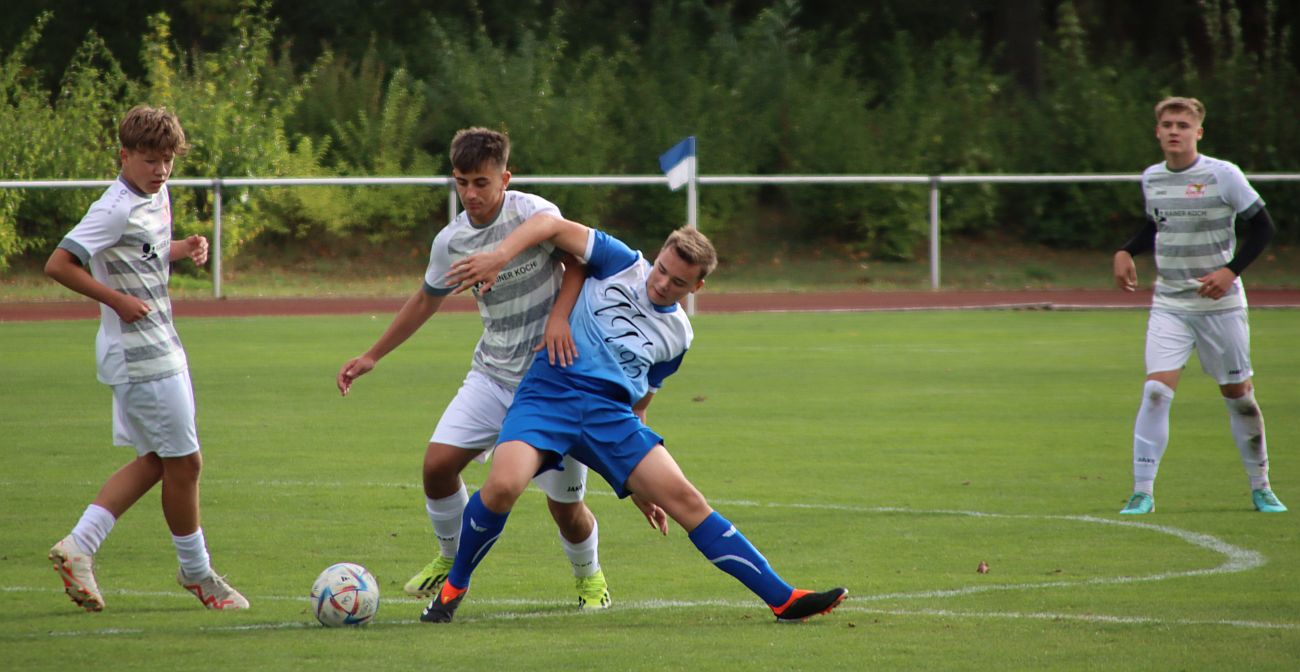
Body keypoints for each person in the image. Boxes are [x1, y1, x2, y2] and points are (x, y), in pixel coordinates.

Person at [418, 219, 847, 624]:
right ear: (656, 255)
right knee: (503, 486)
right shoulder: (620, 260)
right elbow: (550, 226)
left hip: (610, 416)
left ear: (698, 286)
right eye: (661, 269)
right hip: (548, 394)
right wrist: (511, 268)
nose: (662, 283)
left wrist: (637, 481)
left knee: (687, 500)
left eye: (678, 282)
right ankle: (454, 589)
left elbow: (641, 399)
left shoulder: (678, 336)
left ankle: (783, 598)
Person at [336, 127, 614, 609]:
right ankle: (451, 557)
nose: (471, 194)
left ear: (505, 178)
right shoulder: (453, 240)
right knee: (437, 467)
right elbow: (427, 298)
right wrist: (373, 354)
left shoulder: (534, 214)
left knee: (565, 509)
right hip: (493, 373)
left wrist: (558, 318)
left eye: (481, 183)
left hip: (552, 381)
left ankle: (589, 578)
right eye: (462, 182)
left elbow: (580, 265)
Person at [44, 105, 249, 611]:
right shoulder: (113, 207)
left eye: (168, 160)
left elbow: (144, 251)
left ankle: (79, 546)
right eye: (151, 160)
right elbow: (59, 263)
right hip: (139, 357)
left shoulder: (156, 196)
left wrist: (185, 248)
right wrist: (115, 300)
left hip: (161, 347)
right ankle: (197, 573)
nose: (161, 170)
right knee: (186, 462)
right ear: (124, 155)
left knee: (159, 460)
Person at [1112, 96, 1285, 515]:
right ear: (1157, 131)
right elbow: (1159, 223)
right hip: (1170, 303)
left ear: (1198, 132)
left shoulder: (1223, 175)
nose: (1174, 131)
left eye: (1183, 125)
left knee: (1239, 395)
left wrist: (1231, 271)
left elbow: (1263, 227)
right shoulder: (1152, 177)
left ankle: (1261, 486)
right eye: (1167, 124)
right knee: (1155, 392)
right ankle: (1143, 491)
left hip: (1220, 306)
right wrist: (1126, 251)